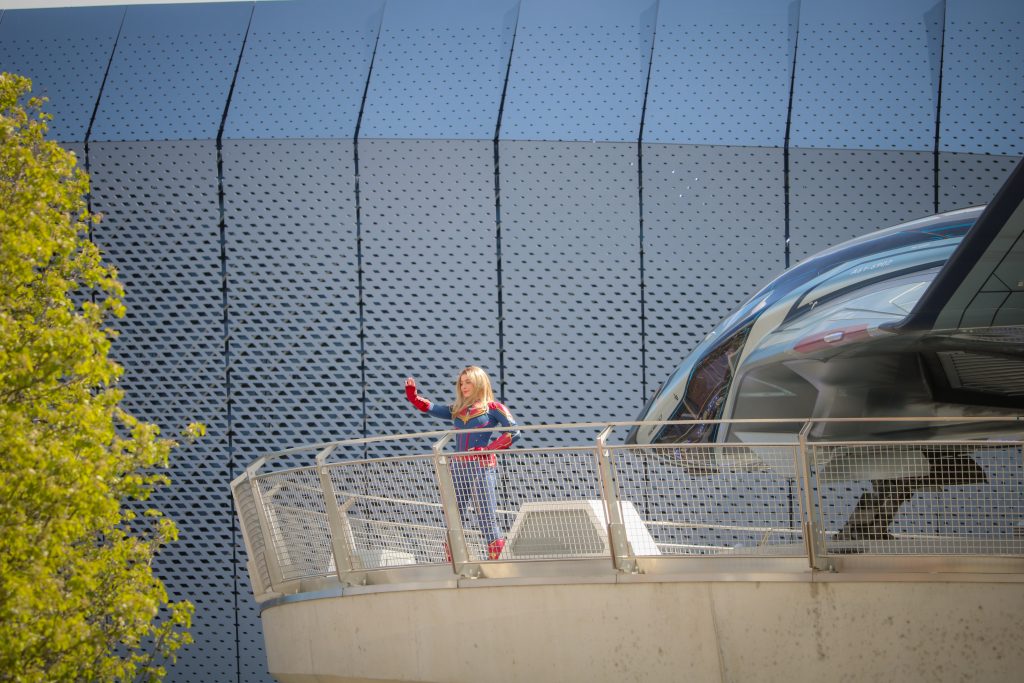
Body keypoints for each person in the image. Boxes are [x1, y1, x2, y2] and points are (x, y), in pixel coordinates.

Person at [405, 366, 520, 560]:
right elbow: (431, 408)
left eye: (468, 382)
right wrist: (413, 396)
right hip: (458, 467)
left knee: (486, 515)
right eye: (461, 383)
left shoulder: (493, 408)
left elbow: (514, 432)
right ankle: (455, 562)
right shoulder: (457, 409)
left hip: (481, 466)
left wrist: (488, 449)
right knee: (454, 515)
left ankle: (497, 563)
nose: (463, 386)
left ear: (479, 382)